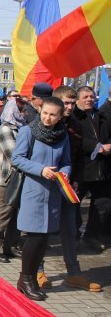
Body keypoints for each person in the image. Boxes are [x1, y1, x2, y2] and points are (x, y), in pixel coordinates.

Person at [12, 97, 71, 301]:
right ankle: (25, 278)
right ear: (40, 110)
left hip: (53, 193)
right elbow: (17, 158)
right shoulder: (28, 131)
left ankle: (32, 279)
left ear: (60, 116)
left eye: (53, 114)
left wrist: (64, 174)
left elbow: (66, 161)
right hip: (34, 190)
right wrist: (41, 170)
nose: (48, 117)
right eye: (45, 113)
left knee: (44, 238)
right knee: (34, 237)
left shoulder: (62, 135)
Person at [51, 86, 102, 292]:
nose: (70, 107)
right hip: (47, 184)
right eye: (66, 103)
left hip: (69, 185)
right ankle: (37, 270)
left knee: (70, 229)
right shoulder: (43, 124)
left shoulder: (76, 125)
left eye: (73, 103)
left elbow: (79, 156)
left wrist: (76, 180)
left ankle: (73, 273)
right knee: (43, 232)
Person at [71, 86, 111, 253]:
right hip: (82, 169)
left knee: (103, 204)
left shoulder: (100, 115)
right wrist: (96, 146)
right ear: (78, 99)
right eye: (85, 96)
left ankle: (91, 236)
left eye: (92, 96)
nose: (89, 99)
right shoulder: (73, 118)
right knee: (74, 206)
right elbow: (75, 139)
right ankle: (72, 238)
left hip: (101, 168)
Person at [0, 97, 26, 263]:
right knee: (3, 214)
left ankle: (10, 246)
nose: (24, 113)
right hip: (6, 178)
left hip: (20, 178)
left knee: (15, 215)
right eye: (21, 110)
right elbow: (14, 155)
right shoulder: (5, 129)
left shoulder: (21, 128)